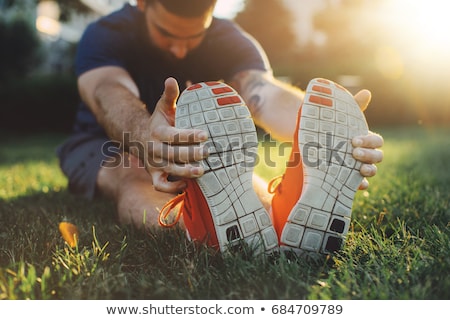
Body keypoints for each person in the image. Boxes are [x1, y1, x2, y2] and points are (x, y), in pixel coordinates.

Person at [57, 0, 384, 257]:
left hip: (200, 147)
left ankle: (281, 223)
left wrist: (320, 123)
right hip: (104, 143)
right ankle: (194, 229)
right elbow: (106, 91)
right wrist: (146, 138)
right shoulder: (106, 32)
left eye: (194, 36)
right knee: (135, 172)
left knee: (239, 181)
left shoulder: (230, 38)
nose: (180, 50)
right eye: (167, 34)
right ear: (143, 2)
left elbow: (262, 93)